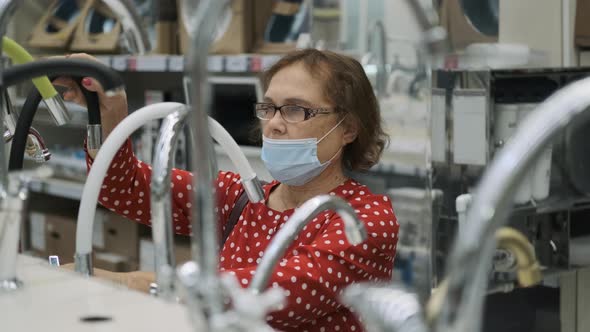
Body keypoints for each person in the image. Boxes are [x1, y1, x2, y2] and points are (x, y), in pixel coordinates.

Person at [57, 49, 399, 332]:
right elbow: (125, 187)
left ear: (349, 128)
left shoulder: (364, 218)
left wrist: (132, 284)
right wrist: (111, 114)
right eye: (269, 108)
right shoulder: (242, 197)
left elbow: (282, 290)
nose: (275, 123)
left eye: (296, 110)